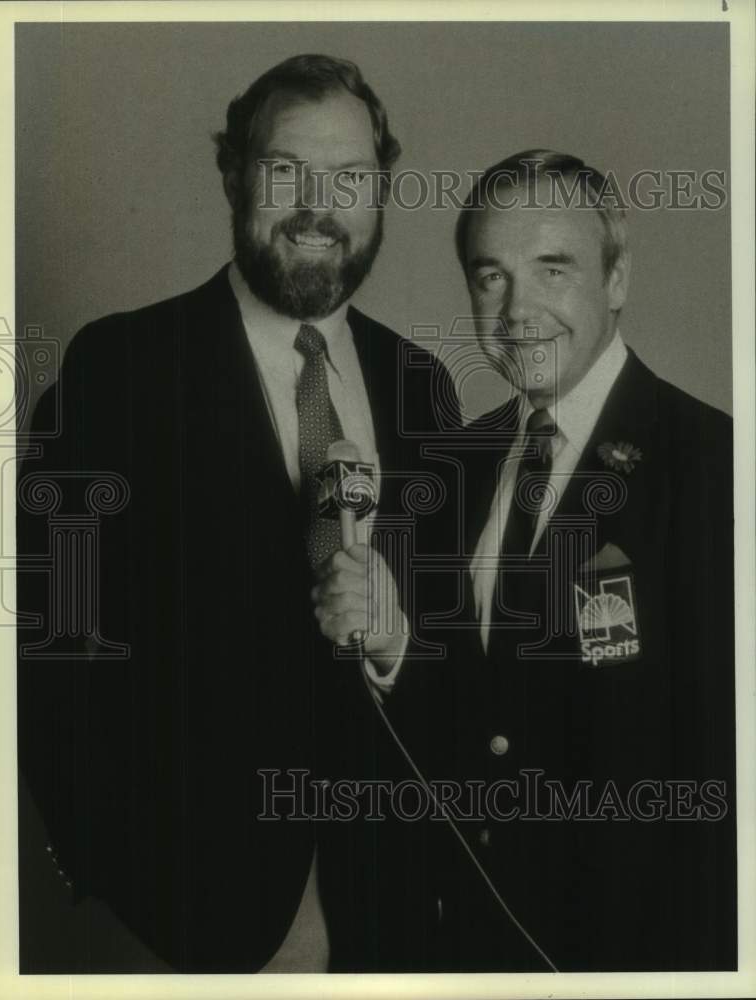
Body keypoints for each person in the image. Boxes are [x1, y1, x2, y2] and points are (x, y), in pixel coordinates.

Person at [16, 54, 458, 974]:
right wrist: (116, 869)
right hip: (190, 914)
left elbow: (454, 655)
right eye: (285, 170)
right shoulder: (119, 371)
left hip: (395, 912)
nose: (317, 207)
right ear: (232, 176)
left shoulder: (424, 387)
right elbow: (46, 645)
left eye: (349, 177)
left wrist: (395, 648)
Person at [315, 150, 737, 971]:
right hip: (464, 956)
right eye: (491, 278)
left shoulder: (713, 467)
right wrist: (394, 647)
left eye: (553, 269)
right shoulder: (448, 473)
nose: (518, 311)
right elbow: (470, 735)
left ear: (616, 278)